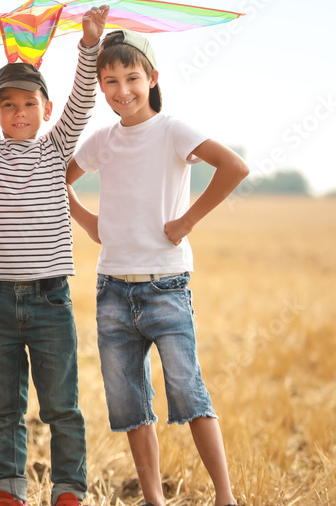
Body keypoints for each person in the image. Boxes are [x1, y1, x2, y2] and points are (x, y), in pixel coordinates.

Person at [66, 30, 247, 506]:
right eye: (110, 81)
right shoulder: (102, 139)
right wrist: (87, 221)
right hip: (111, 289)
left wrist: (187, 220)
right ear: (100, 86)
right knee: (129, 406)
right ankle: (153, 499)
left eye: (131, 78)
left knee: (188, 392)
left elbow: (234, 167)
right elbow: (57, 177)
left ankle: (225, 496)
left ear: (152, 78)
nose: (121, 90)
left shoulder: (172, 130)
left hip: (166, 285)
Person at [0, 5, 110, 506]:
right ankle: (10, 490)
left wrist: (89, 45)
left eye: (28, 103)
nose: (18, 113)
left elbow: (84, 100)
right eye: (7, 106)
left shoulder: (56, 148)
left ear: (46, 108)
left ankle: (68, 490)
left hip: (50, 300)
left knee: (62, 405)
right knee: (4, 406)